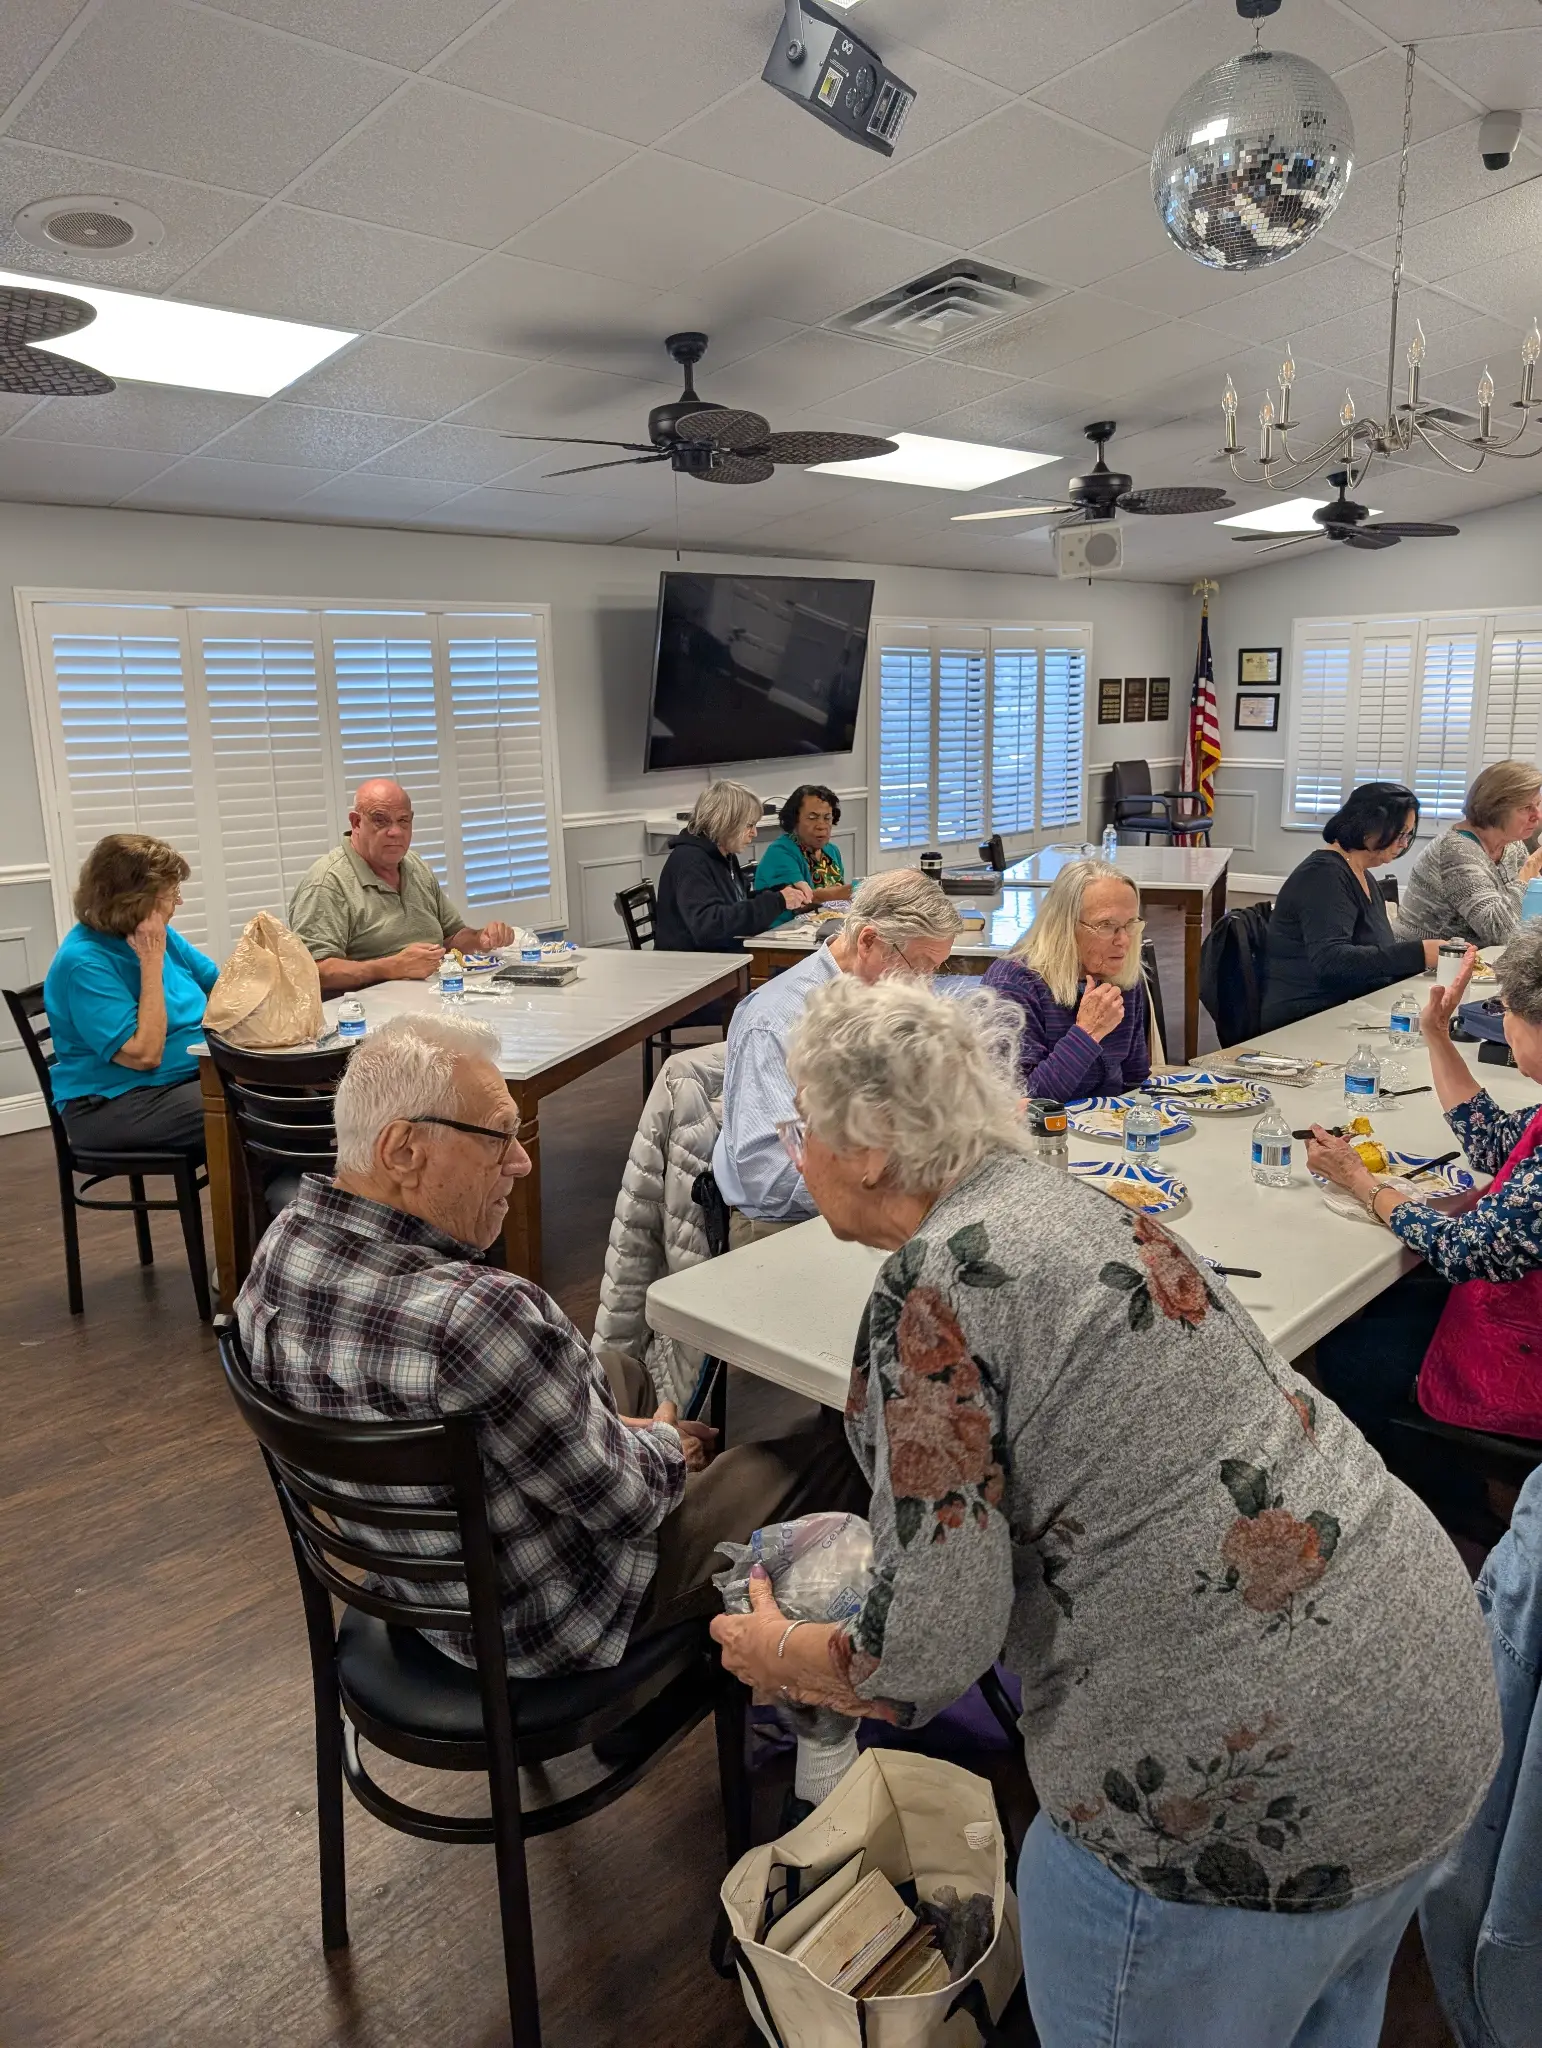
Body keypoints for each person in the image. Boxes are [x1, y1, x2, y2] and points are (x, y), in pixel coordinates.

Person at [713, 973, 1500, 2048]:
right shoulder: (1075, 1199)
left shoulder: (934, 1288)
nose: (793, 1152)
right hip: (1423, 1686)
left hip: (1259, 1784)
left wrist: (785, 1650)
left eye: (803, 1126)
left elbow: (929, 1645)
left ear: (870, 1148)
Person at [236, 1011, 861, 1678]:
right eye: (498, 1137)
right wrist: (662, 1446)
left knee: (618, 1371)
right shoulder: (482, 1315)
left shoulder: (282, 1248)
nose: (522, 1161)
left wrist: (607, 1430)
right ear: (404, 1150)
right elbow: (629, 1502)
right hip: (547, 1621)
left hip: (416, 1581)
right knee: (825, 1454)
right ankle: (776, 1665)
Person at [1308, 927, 1542, 1451]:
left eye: (1505, 1011)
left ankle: (1432, 1481)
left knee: (1347, 1353)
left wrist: (1363, 1184)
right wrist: (1436, 1034)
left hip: (1525, 1361)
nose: (1502, 1024)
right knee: (1396, 1299)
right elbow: (1493, 1141)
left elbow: (1464, 1250)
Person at [711, 870, 961, 1240]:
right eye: (919, 967)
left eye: (933, 972)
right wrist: (897, 1185)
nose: (925, 987)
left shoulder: (885, 1002)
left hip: (871, 1197)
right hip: (785, 1224)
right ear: (869, 941)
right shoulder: (777, 1022)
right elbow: (768, 1174)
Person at [42, 832, 218, 1157]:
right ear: (136, 901)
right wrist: (150, 963)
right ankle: (282, 1190)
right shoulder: (84, 963)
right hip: (114, 1100)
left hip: (185, 1076)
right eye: (172, 894)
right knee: (247, 1111)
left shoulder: (155, 934)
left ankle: (289, 1188)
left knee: (281, 1091)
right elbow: (144, 1055)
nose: (178, 903)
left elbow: (219, 984)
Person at [287, 778, 516, 995]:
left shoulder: (415, 865)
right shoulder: (327, 883)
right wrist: (391, 967)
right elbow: (314, 972)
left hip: (436, 996)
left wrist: (480, 939)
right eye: (381, 820)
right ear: (356, 823)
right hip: (367, 1012)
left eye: (403, 821)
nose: (395, 832)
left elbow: (452, 936)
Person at [1261, 782, 1451, 1030]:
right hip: (1307, 1018)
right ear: (1368, 827)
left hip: (1350, 1008)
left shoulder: (1361, 873)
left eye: (1408, 835)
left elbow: (1377, 953)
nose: (1404, 844)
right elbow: (1331, 961)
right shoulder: (1323, 876)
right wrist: (1418, 954)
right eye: (1400, 834)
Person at [982, 857, 1150, 1100]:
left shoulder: (1120, 976)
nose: (1123, 940)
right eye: (1106, 925)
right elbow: (1022, 1102)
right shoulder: (1013, 985)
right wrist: (1087, 1033)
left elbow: (1135, 1081)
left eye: (1130, 924)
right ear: (1065, 926)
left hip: (1107, 1120)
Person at [653, 779, 811, 954]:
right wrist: (778, 901)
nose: (754, 833)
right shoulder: (690, 860)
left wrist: (784, 892)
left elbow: (737, 904)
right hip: (696, 962)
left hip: (725, 956)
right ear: (726, 823)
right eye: (749, 825)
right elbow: (710, 927)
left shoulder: (724, 853)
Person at [1400, 758, 1542, 947]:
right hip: (1424, 961)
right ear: (1496, 809)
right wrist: (1531, 869)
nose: (1537, 816)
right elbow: (1500, 933)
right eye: (1526, 808)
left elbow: (1526, 916)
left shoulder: (1512, 846)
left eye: (1538, 804)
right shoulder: (1456, 850)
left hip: (1478, 958)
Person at [751, 785, 849, 927]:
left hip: (823, 928)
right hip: (781, 933)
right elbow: (801, 902)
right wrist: (849, 891)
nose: (821, 825)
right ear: (794, 820)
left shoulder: (832, 851)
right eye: (812, 818)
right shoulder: (780, 852)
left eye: (827, 818)